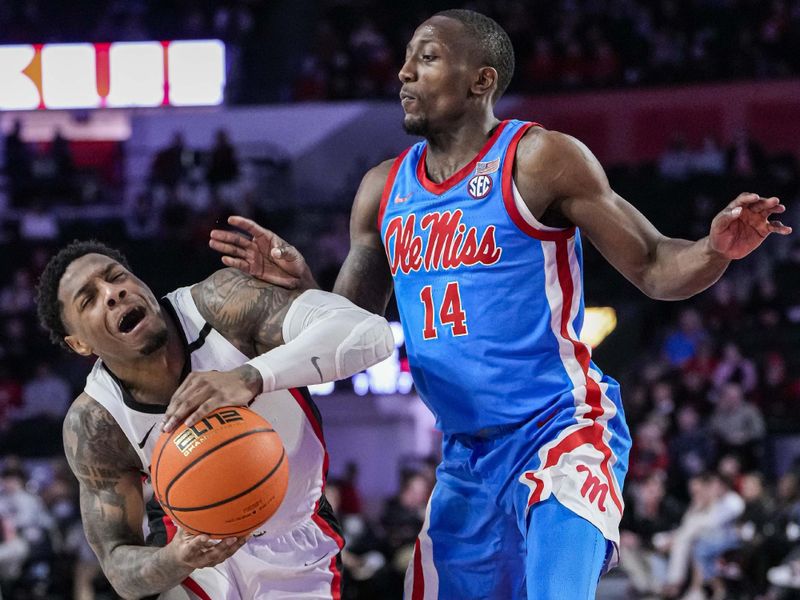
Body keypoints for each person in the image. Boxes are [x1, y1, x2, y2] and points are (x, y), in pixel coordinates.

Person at [208, 9, 791, 599]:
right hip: (466, 457)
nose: (405, 73)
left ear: (481, 81)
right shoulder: (382, 190)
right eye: (407, 58)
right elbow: (344, 335)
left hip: (562, 433)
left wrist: (715, 250)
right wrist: (301, 280)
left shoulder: (540, 159)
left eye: (428, 57)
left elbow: (655, 266)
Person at [34, 240, 394, 599]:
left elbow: (371, 334)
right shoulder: (96, 421)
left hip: (295, 537)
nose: (113, 293)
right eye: (90, 299)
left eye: (116, 277)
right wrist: (175, 559)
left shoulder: (221, 304)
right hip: (194, 551)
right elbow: (118, 567)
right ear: (79, 344)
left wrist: (249, 377)